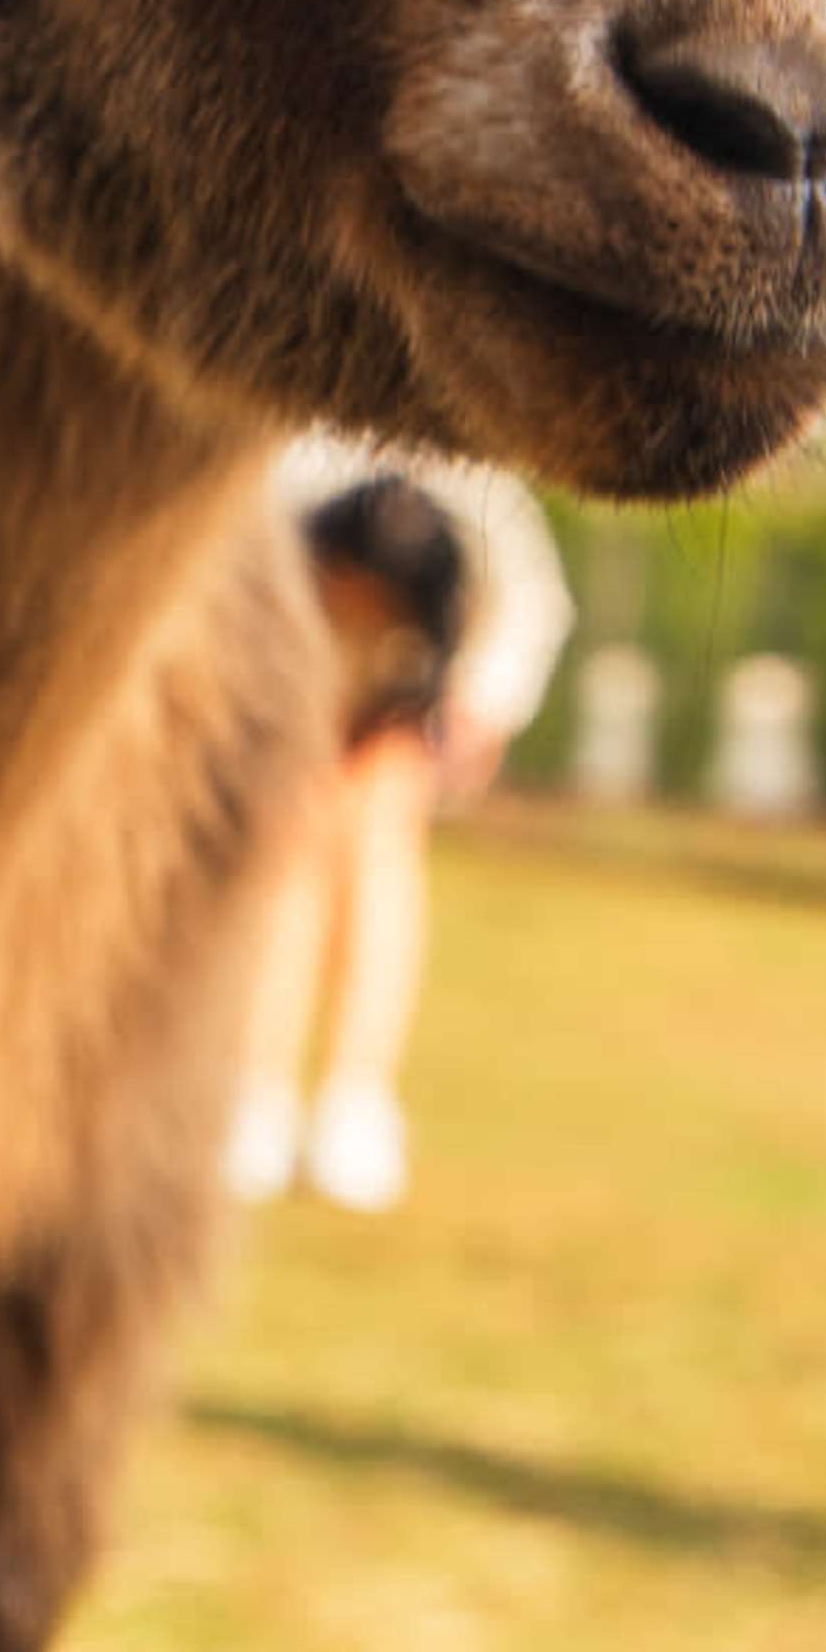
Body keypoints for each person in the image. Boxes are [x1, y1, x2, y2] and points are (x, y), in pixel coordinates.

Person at [224, 447, 571, 1211]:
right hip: (291, 666)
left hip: (406, 680)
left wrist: (480, 701)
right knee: (283, 876)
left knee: (375, 869)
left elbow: (529, 598)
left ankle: (353, 1098)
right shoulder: (294, 459)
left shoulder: (468, 476)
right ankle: (258, 1093)